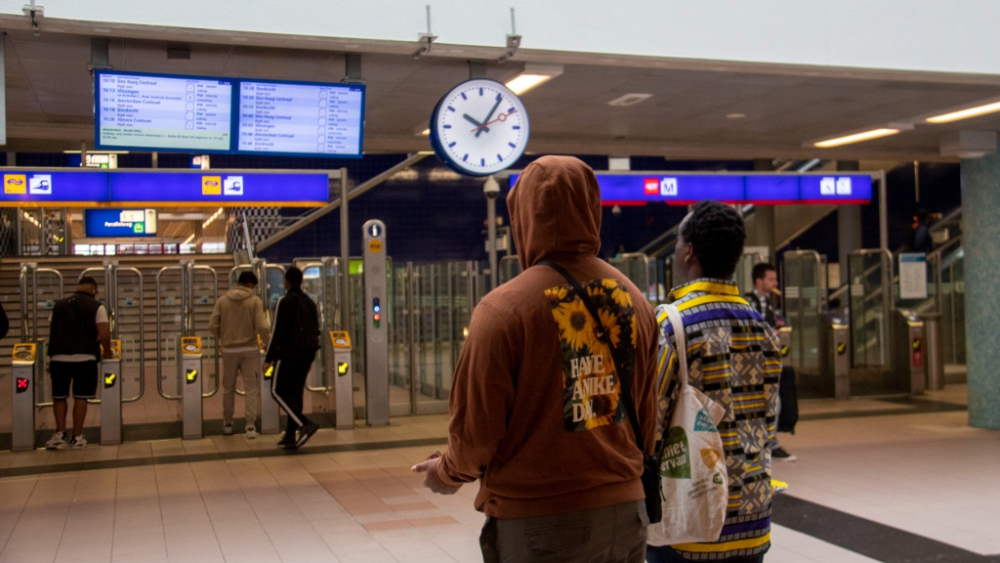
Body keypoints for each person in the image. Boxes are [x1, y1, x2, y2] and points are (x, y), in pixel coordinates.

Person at [411, 156, 660, 563]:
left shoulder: (503, 310)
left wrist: (446, 473)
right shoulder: (634, 299)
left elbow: (477, 433)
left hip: (543, 523)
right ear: (591, 208)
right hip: (626, 512)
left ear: (523, 218)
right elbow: (648, 417)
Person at [648, 201, 781, 563]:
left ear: (689, 250)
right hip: (752, 515)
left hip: (690, 516)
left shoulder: (673, 324)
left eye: (678, 240)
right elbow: (769, 421)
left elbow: (652, 422)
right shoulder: (762, 326)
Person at [45, 277, 112, 450]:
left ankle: (60, 435)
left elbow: (52, 330)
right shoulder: (97, 307)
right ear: (93, 288)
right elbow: (104, 334)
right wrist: (107, 352)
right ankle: (77, 437)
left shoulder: (59, 305)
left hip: (59, 358)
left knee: (59, 397)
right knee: (80, 397)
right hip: (85, 358)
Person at [262, 267, 320, 450]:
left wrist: (268, 358)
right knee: (295, 393)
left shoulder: (285, 301)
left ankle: (304, 424)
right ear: (301, 281)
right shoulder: (310, 302)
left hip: (289, 353)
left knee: (277, 390)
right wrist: (311, 358)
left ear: (287, 281)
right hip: (307, 352)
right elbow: (315, 331)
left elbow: (277, 331)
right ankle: (289, 435)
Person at [210, 271, 270, 439]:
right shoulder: (254, 301)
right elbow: (263, 326)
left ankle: (228, 423)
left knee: (228, 387)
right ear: (250, 284)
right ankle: (250, 426)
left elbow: (212, 325)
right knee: (251, 387)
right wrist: (266, 343)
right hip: (250, 349)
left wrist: (224, 336)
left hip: (229, 349)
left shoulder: (222, 300)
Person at [746, 263, 796, 462]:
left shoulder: (767, 303)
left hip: (767, 360)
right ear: (759, 281)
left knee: (772, 402)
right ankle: (768, 444)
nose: (775, 283)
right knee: (771, 402)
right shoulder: (751, 303)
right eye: (771, 279)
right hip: (756, 362)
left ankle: (767, 442)